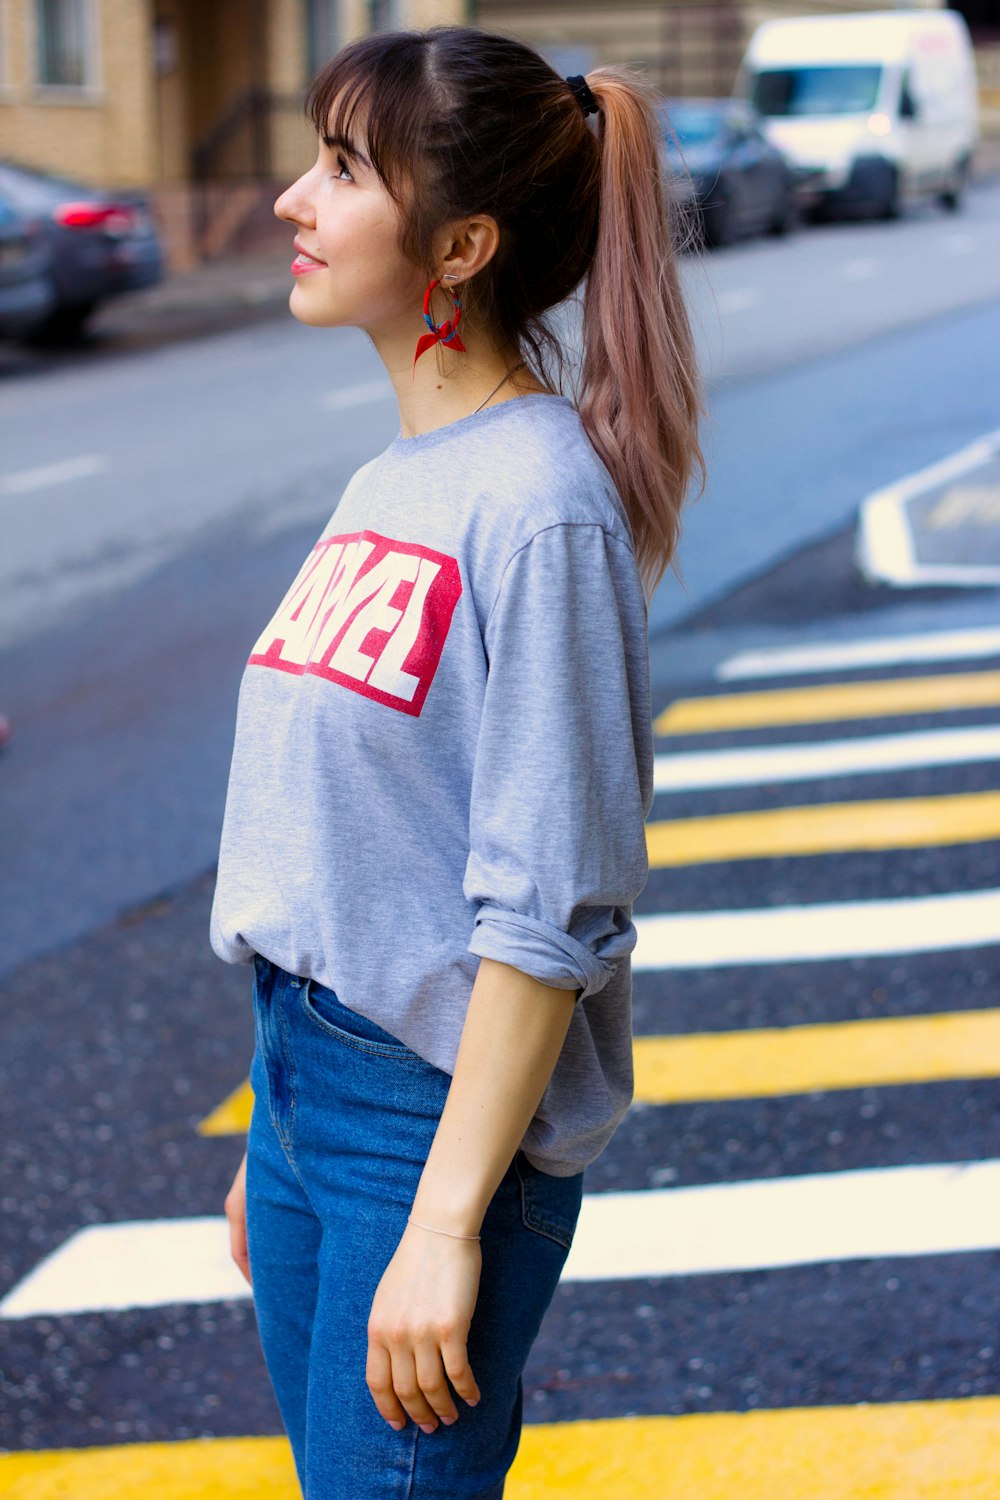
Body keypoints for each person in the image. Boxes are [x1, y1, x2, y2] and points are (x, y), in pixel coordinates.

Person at [212, 23, 705, 1500]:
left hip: (424, 1127)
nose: (296, 199)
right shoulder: (390, 484)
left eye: (344, 169)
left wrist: (443, 1221)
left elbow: (552, 905)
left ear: (462, 243)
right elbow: (346, 840)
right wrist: (269, 1122)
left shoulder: (541, 506)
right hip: (309, 1084)